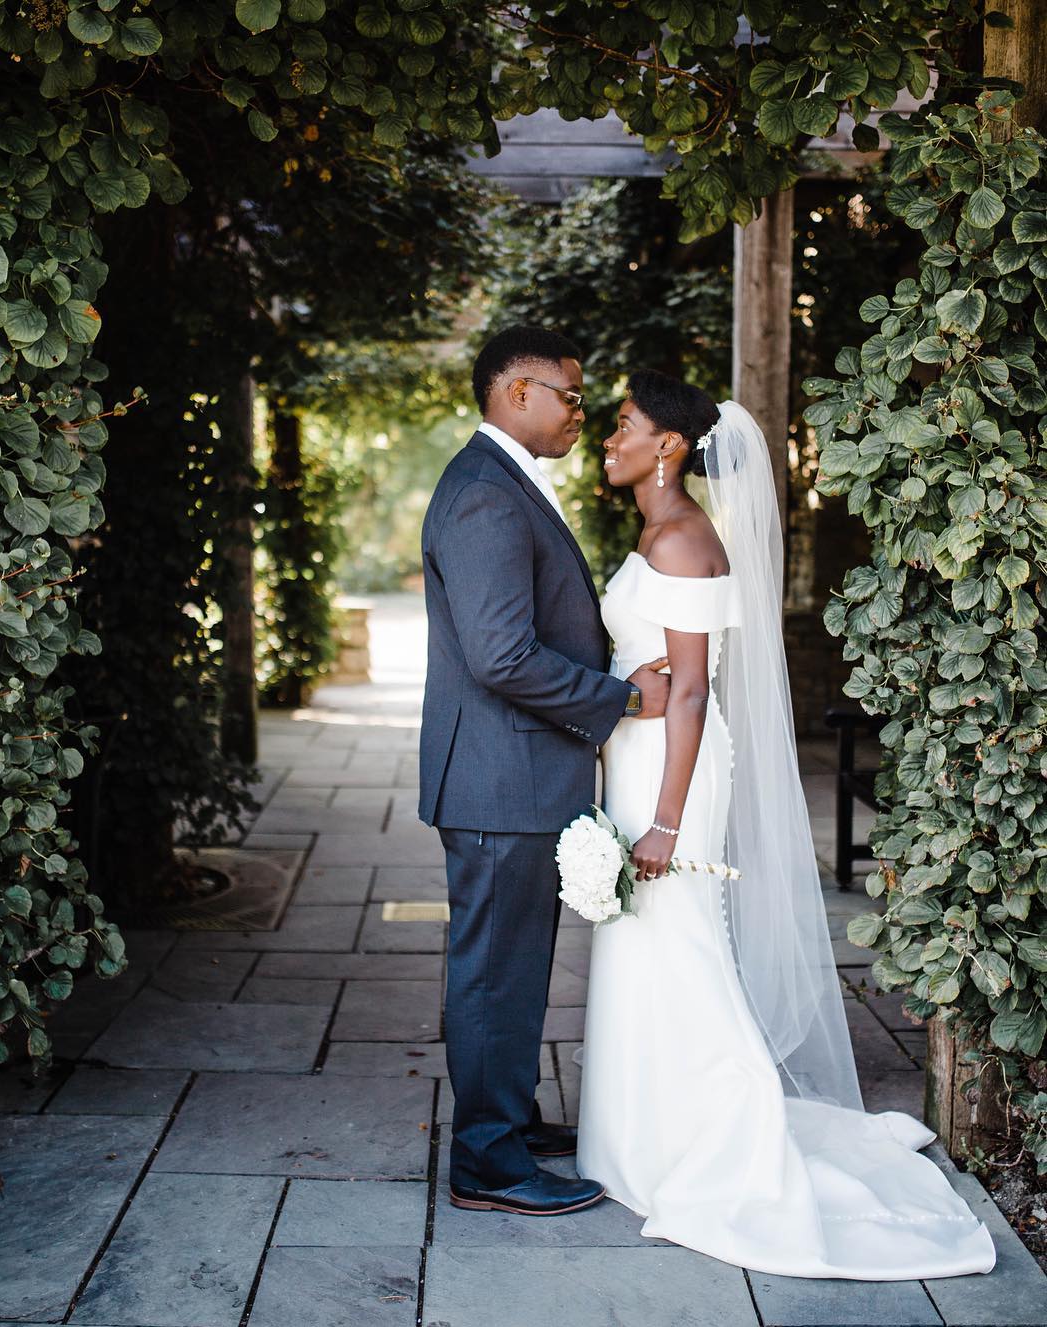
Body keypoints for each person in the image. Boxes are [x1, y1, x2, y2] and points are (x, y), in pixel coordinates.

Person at [577, 368, 996, 1278]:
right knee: (641, 944)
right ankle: (644, 1133)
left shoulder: (685, 540)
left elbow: (690, 691)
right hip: (640, 759)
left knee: (677, 939)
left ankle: (719, 1140)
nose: (610, 439)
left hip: (671, 775)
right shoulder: (657, 528)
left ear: (671, 446)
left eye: (623, 425)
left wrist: (662, 822)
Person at [418, 327, 671, 1216]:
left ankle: (508, 1123)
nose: (582, 412)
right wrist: (623, 701)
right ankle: (486, 1162)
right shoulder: (487, 493)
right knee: (494, 971)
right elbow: (501, 655)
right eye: (571, 395)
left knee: (514, 966)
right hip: (499, 776)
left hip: (512, 773)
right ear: (517, 392)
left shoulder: (498, 481)